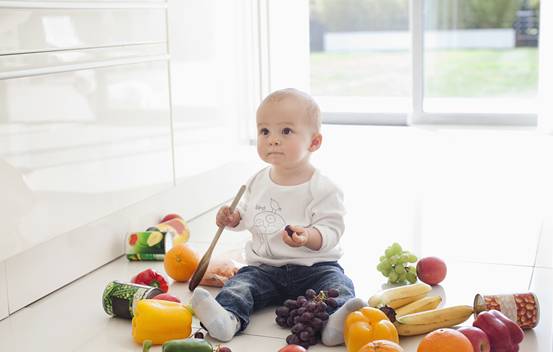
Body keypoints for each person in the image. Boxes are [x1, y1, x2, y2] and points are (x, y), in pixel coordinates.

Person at [190, 88, 366, 346]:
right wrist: (233, 217)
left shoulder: (323, 188)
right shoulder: (258, 181)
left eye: (285, 131)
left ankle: (331, 324)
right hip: (265, 268)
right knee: (240, 286)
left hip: (314, 268)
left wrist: (308, 236)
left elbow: (331, 230)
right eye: (265, 131)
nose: (273, 140)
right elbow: (248, 215)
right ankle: (228, 318)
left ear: (314, 142)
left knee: (337, 285)